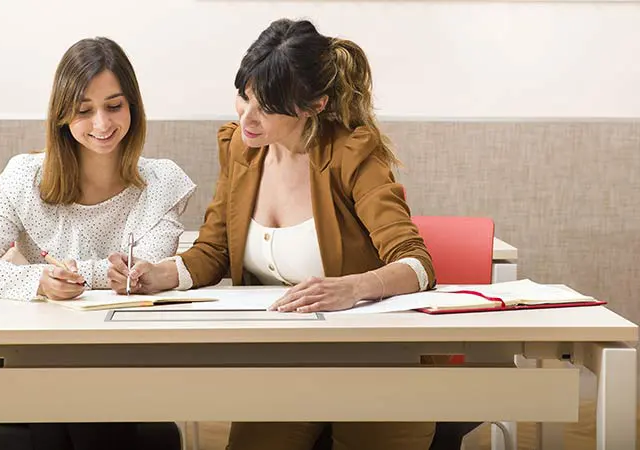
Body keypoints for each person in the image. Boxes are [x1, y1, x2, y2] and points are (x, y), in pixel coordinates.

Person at [119, 18, 437, 450]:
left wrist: (352, 288)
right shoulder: (242, 150)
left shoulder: (351, 154)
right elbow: (214, 249)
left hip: (373, 360)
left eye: (266, 107)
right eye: (244, 96)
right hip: (283, 363)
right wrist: (158, 274)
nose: (247, 117)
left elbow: (417, 264)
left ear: (314, 105)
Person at [0, 36, 193, 450]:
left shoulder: (162, 182)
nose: (102, 124)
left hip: (124, 359)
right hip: (34, 355)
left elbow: (136, 278)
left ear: (133, 106)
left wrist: (66, 274)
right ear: (62, 114)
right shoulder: (24, 178)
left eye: (114, 106)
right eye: (84, 110)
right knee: (69, 394)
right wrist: (39, 281)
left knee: (84, 396)